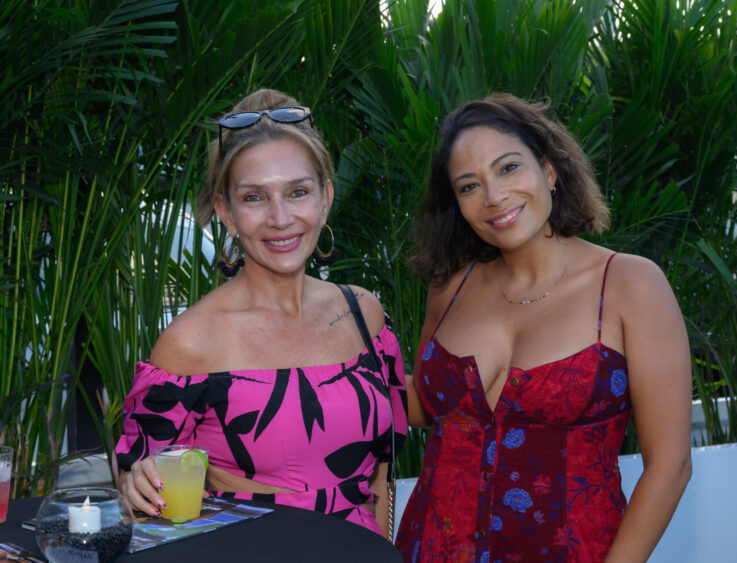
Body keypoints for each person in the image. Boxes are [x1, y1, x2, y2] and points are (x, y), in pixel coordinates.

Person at [394, 93, 691, 561]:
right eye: (469, 186)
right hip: (426, 548)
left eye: (508, 168)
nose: (494, 197)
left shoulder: (629, 285)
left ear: (549, 171)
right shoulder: (449, 286)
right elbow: (428, 406)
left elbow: (669, 466)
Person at [114, 89, 407, 539]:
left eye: (298, 192)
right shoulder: (191, 342)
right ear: (226, 213)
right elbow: (141, 496)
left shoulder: (363, 313)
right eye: (254, 198)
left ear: (325, 199)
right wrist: (136, 483)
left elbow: (382, 477)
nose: (280, 217)